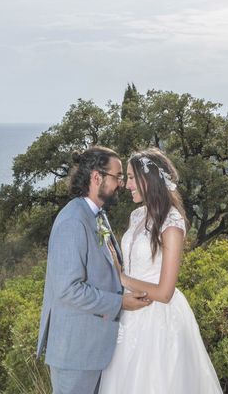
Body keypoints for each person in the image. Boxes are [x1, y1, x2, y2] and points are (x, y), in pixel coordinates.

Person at [99, 147, 222, 394]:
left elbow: (165, 292)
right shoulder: (136, 216)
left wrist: (121, 276)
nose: (127, 184)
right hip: (128, 316)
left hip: (159, 320)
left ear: (149, 179)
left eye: (132, 178)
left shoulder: (172, 222)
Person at [37, 146, 151, 394]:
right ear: (96, 177)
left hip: (95, 348)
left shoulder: (98, 216)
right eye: (117, 176)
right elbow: (68, 290)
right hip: (75, 352)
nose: (121, 183)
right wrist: (120, 303)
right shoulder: (72, 221)